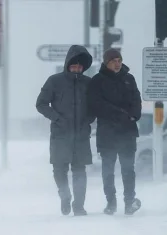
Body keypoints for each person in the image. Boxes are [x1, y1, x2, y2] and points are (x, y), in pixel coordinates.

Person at [36, 45, 95, 216]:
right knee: (59, 169)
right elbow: (41, 104)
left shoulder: (88, 84)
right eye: (74, 65)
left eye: (80, 66)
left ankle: (79, 206)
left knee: (79, 171)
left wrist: (88, 120)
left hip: (81, 135)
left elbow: (95, 106)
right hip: (60, 134)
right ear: (67, 64)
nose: (77, 69)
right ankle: (65, 196)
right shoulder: (54, 81)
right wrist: (57, 118)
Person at [88, 48, 142, 215]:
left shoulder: (129, 78)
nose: (117, 63)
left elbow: (136, 100)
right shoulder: (97, 81)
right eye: (113, 60)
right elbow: (96, 104)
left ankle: (129, 202)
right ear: (106, 62)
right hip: (107, 133)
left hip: (127, 132)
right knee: (108, 170)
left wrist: (134, 115)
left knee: (128, 168)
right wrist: (120, 114)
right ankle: (111, 202)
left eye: (119, 60)